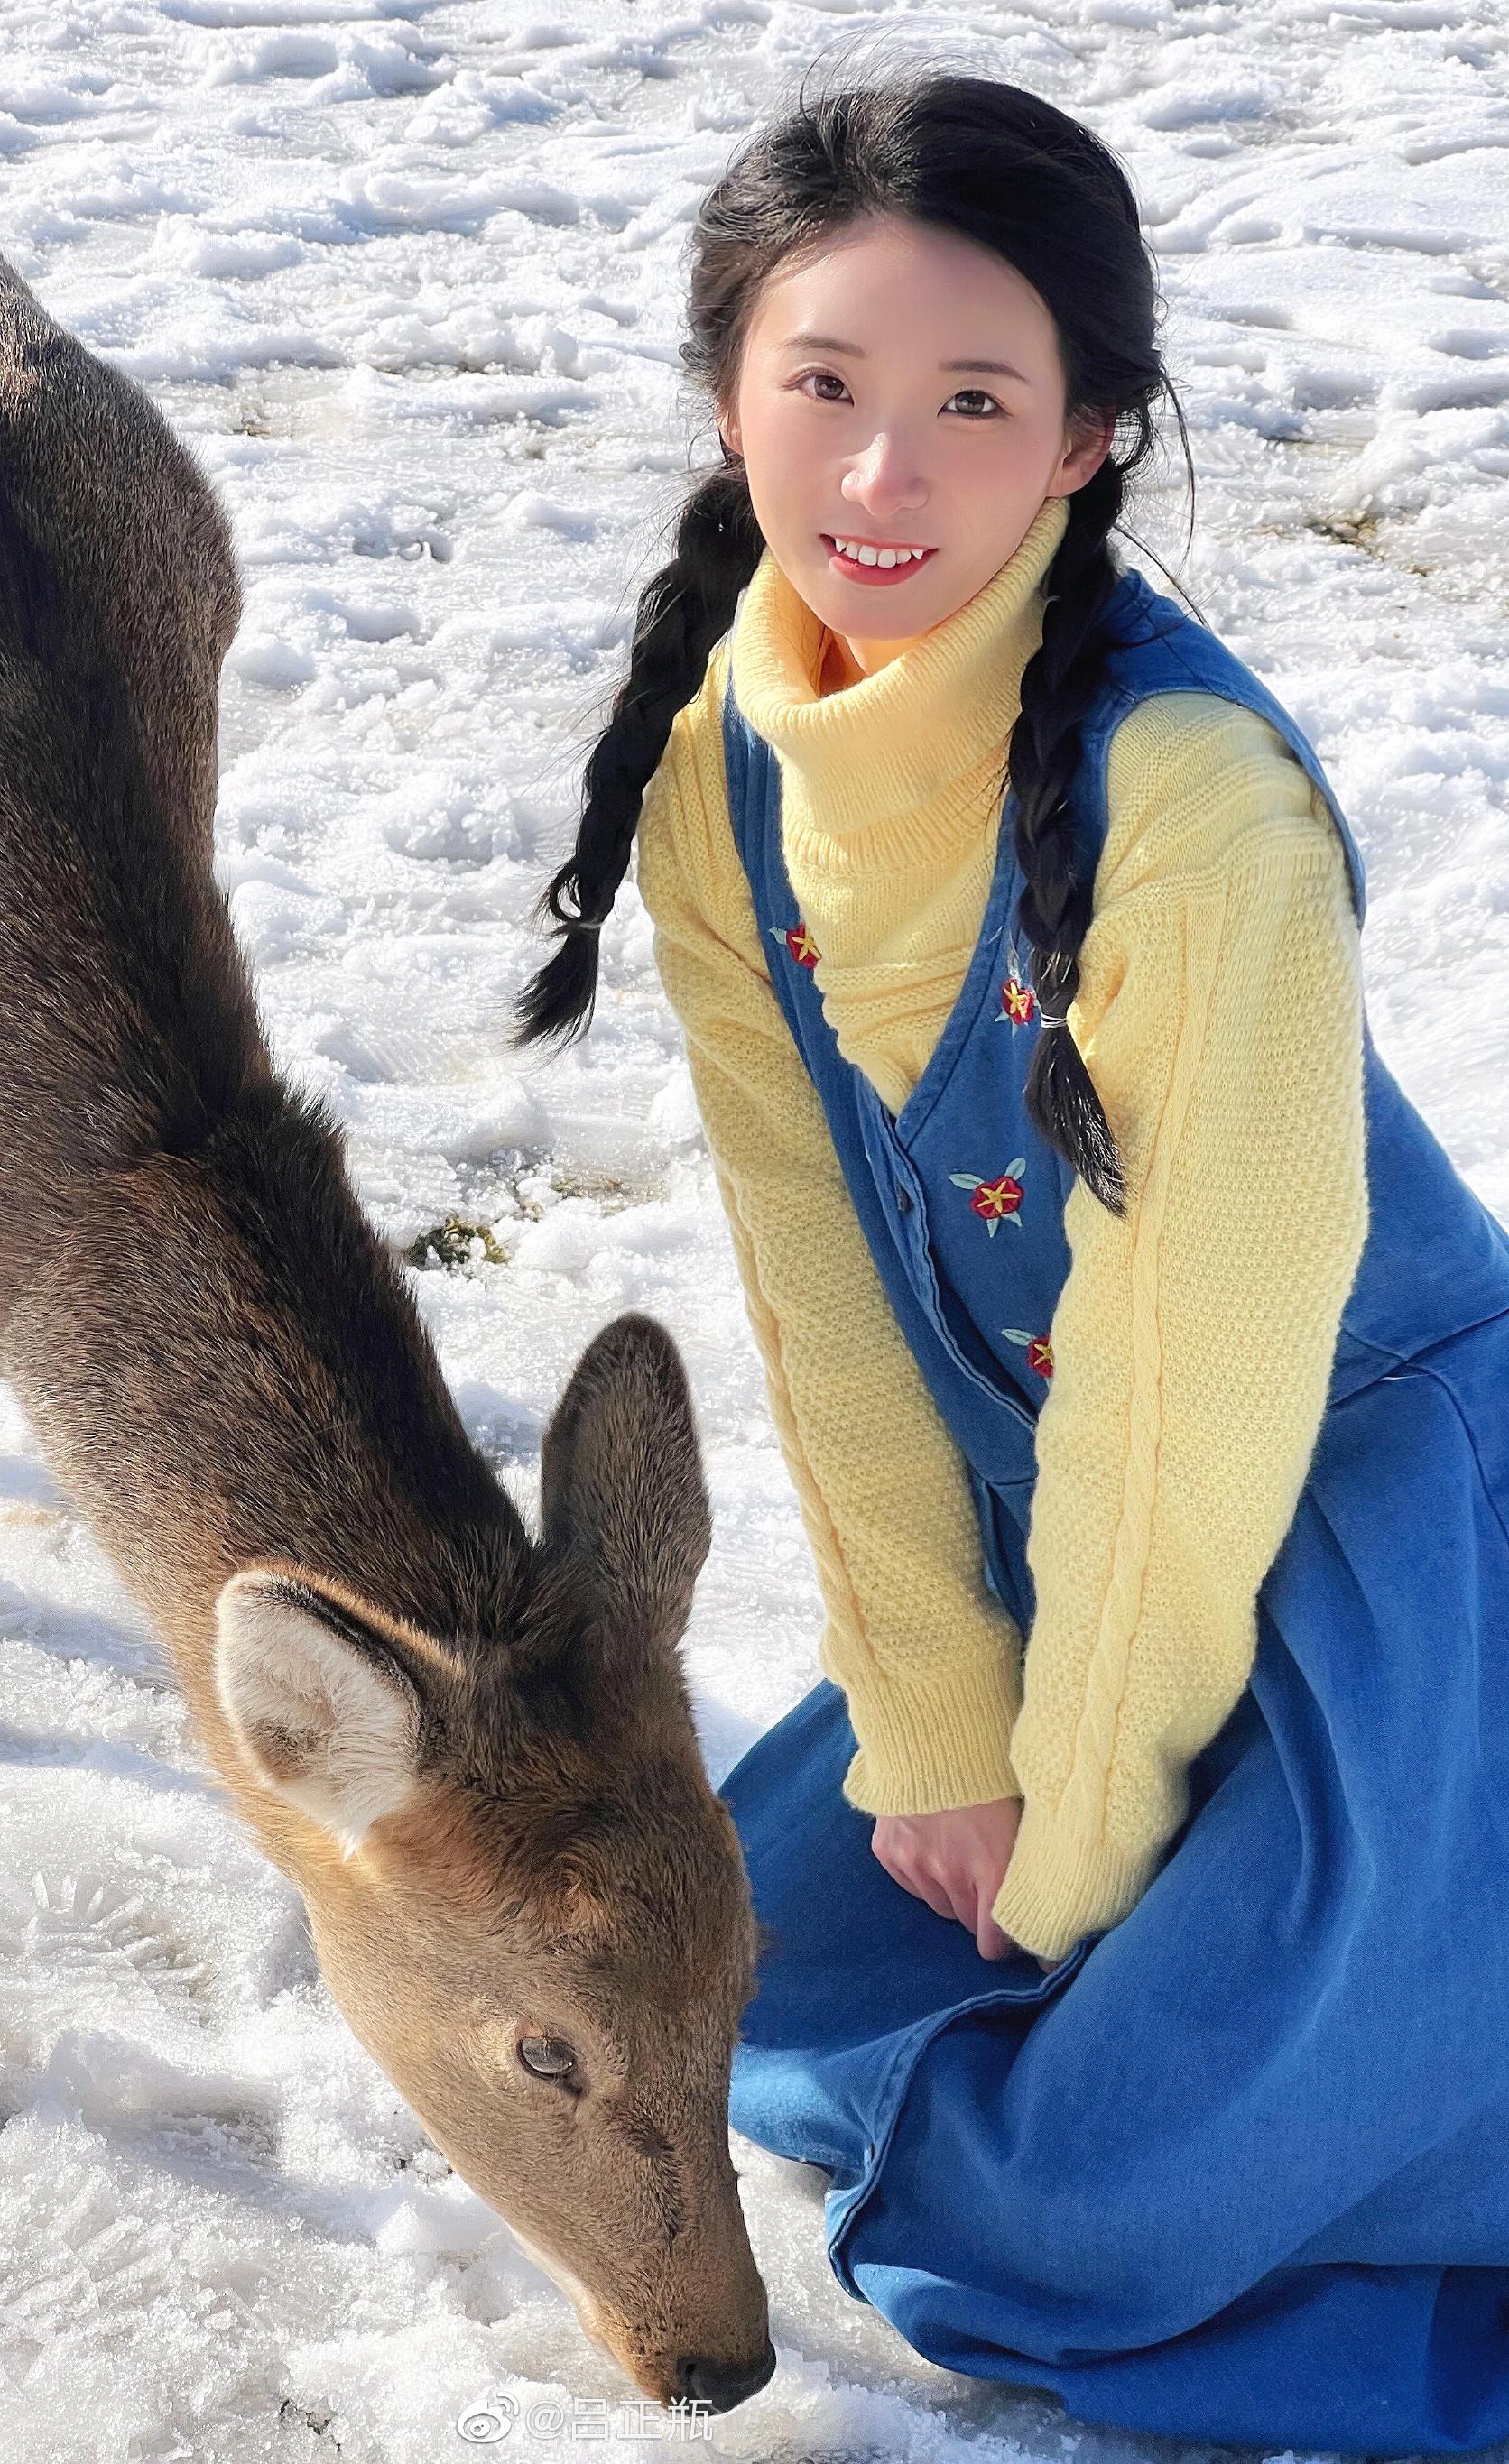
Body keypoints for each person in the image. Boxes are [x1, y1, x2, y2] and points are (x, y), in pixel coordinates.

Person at [514, 66, 1509, 2454]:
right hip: (1059, 1520)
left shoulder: (1196, 813)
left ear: (1083, 439)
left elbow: (1200, 1392)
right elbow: (824, 1293)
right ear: (729, 396)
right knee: (752, 1988)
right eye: (823, 385)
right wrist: (945, 1724)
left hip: (1367, 1539)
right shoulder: (721, 759)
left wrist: (1077, 1814)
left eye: (973, 402)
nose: (882, 475)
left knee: (1052, 2232)